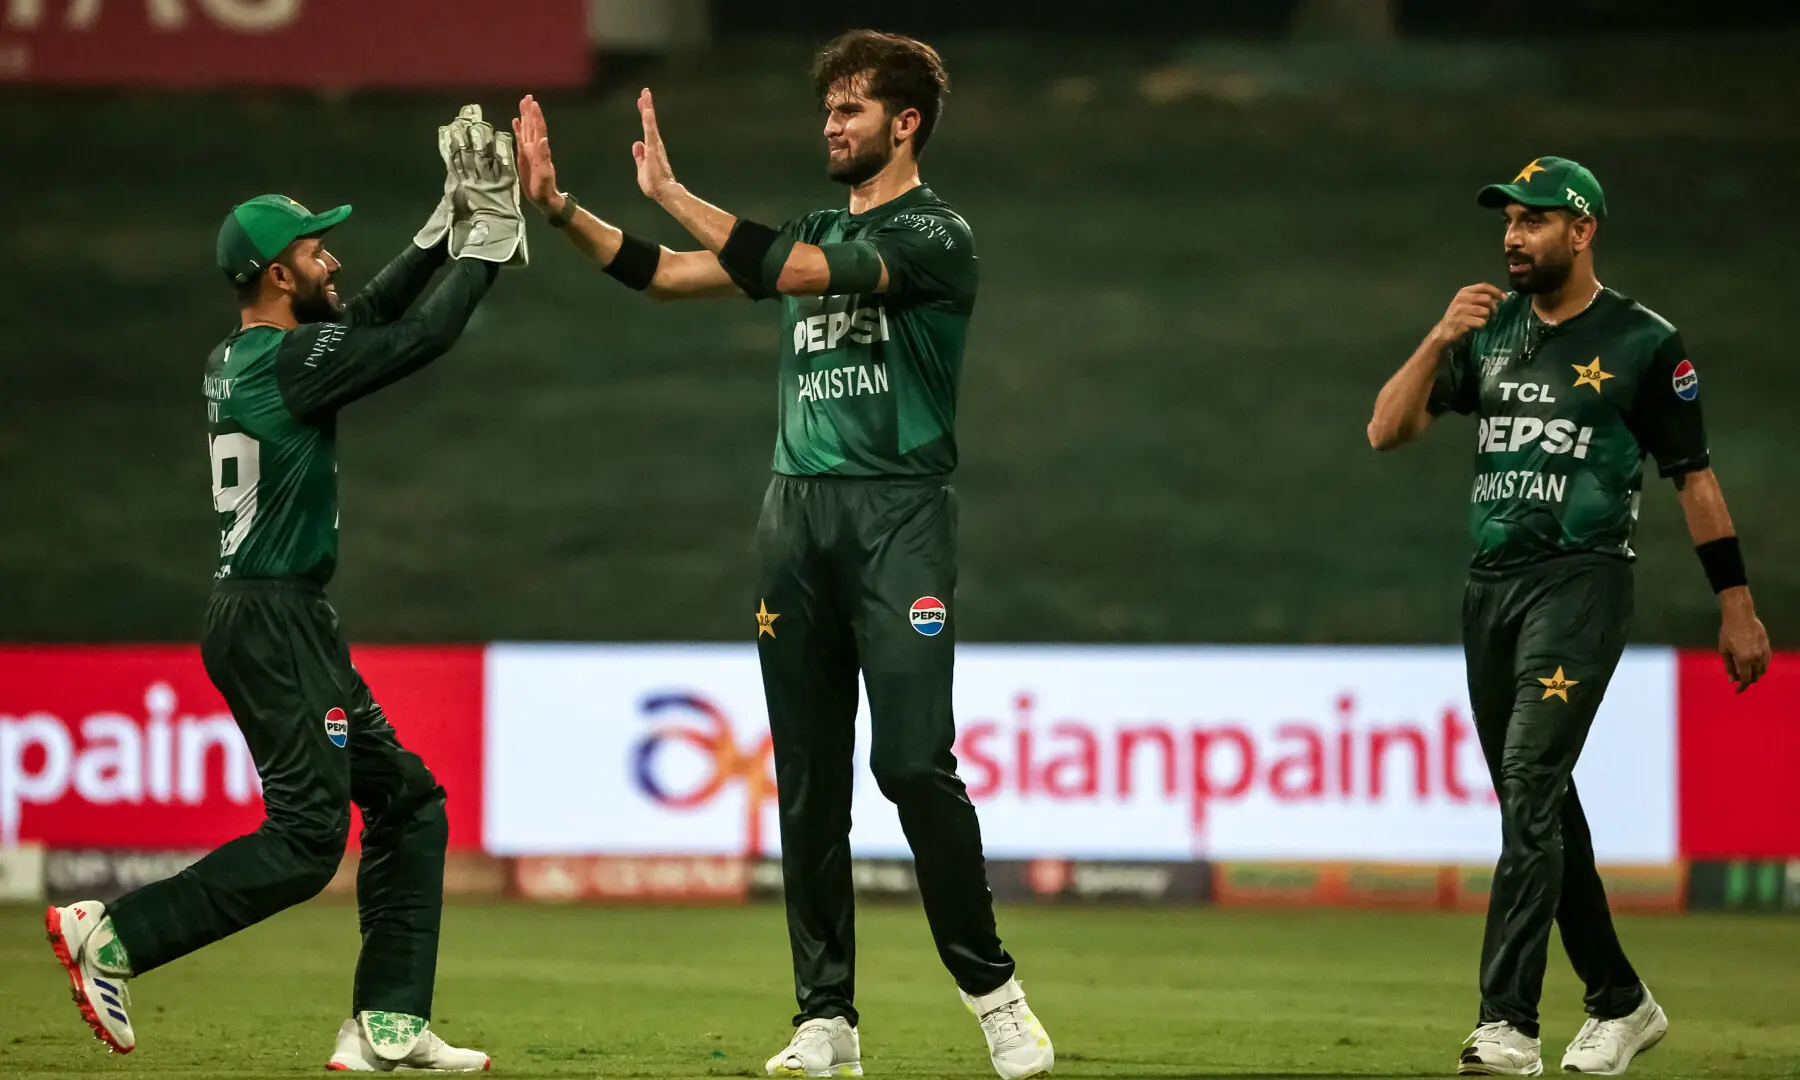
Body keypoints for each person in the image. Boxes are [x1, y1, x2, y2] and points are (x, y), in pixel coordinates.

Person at [511, 30, 1053, 1080]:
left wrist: (670, 186)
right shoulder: (804, 224)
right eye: (827, 108)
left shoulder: (939, 232)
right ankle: (826, 1021)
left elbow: (799, 269)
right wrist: (565, 209)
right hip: (793, 523)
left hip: (898, 523)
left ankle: (994, 995)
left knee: (909, 763)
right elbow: (669, 279)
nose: (830, 124)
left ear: (905, 122)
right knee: (806, 781)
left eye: (851, 108)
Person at [44, 105, 524, 1073]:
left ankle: (386, 1024)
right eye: (315, 251)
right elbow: (415, 340)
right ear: (276, 274)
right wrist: (488, 241)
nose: (331, 261)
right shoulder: (291, 363)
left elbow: (368, 321)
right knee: (310, 839)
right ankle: (118, 937)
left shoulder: (245, 357)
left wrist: (440, 228)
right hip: (273, 618)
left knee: (408, 802)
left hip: (275, 614)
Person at [1366, 156, 1771, 1076]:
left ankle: (1507, 1024)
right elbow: (1386, 430)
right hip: (1490, 590)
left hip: (1582, 584)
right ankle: (1620, 1001)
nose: (1513, 235)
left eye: (1536, 220)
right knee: (1534, 799)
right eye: (1508, 220)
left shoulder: (1643, 342)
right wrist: (1437, 337)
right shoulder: (1489, 332)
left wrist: (1737, 605)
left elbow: (1694, 479)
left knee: (1528, 775)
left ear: (1582, 231)